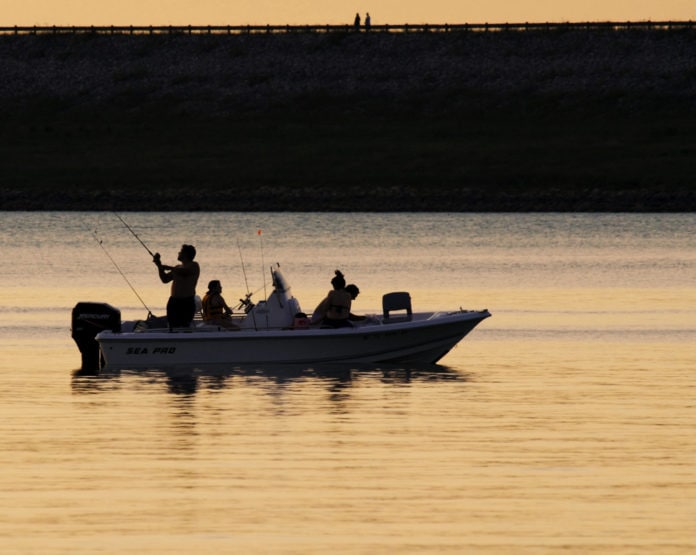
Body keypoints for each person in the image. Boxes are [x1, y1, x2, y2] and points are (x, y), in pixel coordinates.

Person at [153, 244, 200, 329]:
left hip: (187, 302)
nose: (178, 253)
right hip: (174, 302)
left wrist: (169, 267)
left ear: (186, 254)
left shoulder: (194, 265)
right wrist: (159, 265)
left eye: (181, 252)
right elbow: (165, 279)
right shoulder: (177, 267)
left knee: (184, 326)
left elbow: (184, 272)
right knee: (172, 326)